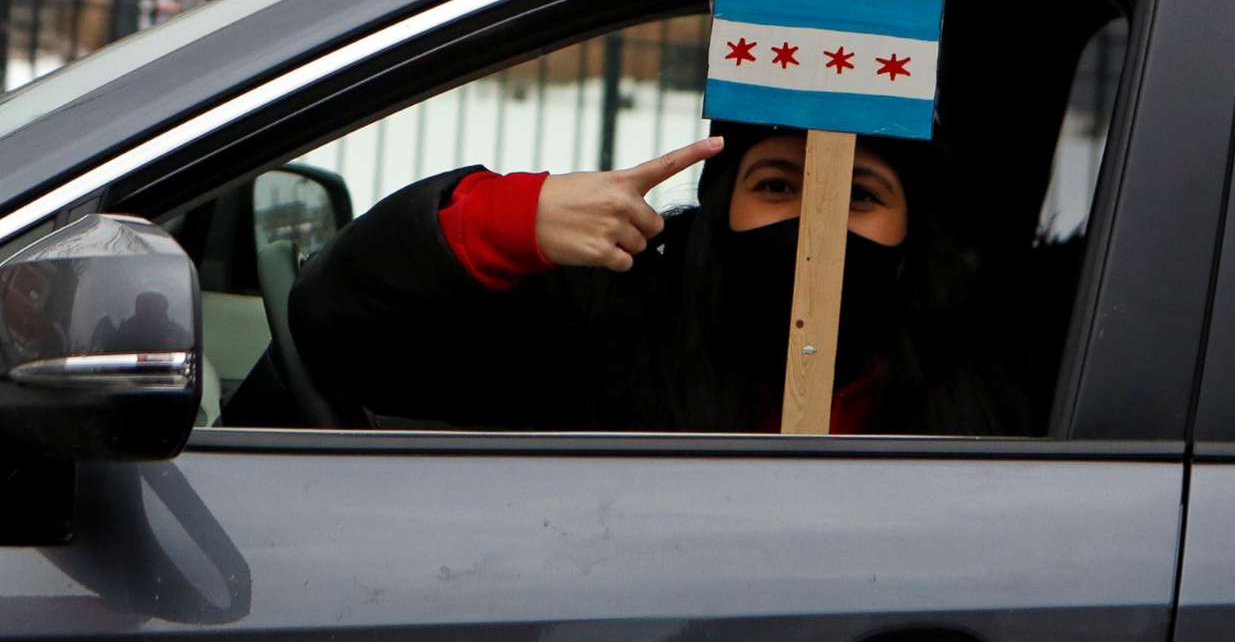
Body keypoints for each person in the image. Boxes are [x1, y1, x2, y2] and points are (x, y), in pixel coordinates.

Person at [289, 122, 1028, 435]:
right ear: (717, 215)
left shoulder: (984, 391)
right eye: (775, 186)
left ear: (912, 241)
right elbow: (342, 326)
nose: (815, 227)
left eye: (859, 196)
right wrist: (513, 218)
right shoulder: (609, 333)